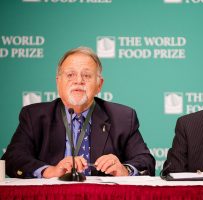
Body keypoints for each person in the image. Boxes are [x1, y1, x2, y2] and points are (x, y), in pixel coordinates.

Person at [2, 46, 155, 178]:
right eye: (70, 75)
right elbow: (13, 159)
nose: (78, 81)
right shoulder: (34, 116)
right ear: (58, 82)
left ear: (99, 85)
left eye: (87, 75)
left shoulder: (123, 117)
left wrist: (125, 170)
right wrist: (49, 171)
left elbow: (146, 161)